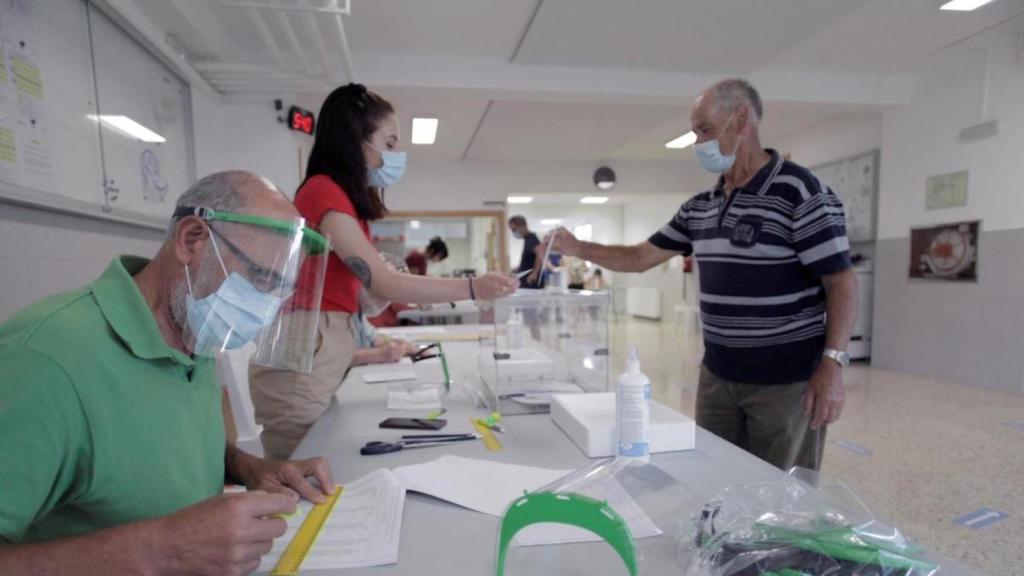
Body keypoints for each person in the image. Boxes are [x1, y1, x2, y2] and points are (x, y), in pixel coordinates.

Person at [0, 171, 336, 574]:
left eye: (280, 290)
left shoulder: (194, 333)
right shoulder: (43, 360)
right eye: (261, 278)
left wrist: (248, 468)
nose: (266, 309)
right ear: (192, 240)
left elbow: (157, 446)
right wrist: (160, 549)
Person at [546, 79, 858, 471]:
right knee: (713, 477)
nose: (698, 143)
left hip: (786, 383)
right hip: (718, 377)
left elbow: (841, 281)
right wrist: (579, 248)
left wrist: (832, 365)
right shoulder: (701, 206)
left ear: (740, 119)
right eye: (695, 132)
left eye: (704, 129)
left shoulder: (800, 192)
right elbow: (640, 256)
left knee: (781, 490)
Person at [250, 84, 518, 460]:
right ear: (355, 141)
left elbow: (367, 293)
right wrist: (474, 287)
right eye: (388, 144)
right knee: (297, 476)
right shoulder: (324, 192)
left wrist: (379, 289)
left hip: (323, 349)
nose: (394, 155)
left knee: (314, 468)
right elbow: (385, 282)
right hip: (305, 357)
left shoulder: (342, 203)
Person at [351, 287, 418, 366]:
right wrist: (377, 354)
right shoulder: (340, 312)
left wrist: (398, 344)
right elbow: (339, 357)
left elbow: (374, 337)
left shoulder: (356, 312)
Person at [508, 215, 543, 288]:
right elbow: (530, 260)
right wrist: (519, 268)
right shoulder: (527, 240)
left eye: (514, 230)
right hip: (526, 280)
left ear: (523, 226)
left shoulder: (532, 239)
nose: (513, 232)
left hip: (531, 281)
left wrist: (534, 273)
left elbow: (540, 255)